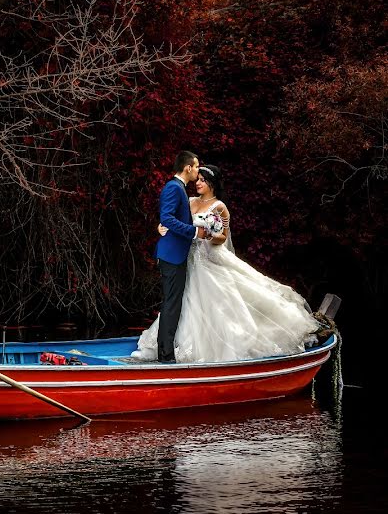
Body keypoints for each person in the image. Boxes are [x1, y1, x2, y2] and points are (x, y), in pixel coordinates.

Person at [132, 164, 319, 363]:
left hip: (209, 258)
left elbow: (223, 237)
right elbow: (172, 220)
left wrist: (211, 234)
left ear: (212, 183)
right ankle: (166, 346)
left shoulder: (219, 206)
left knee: (220, 299)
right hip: (188, 258)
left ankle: (216, 345)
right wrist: (161, 227)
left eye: (203, 180)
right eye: (198, 179)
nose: (198, 183)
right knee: (180, 300)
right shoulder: (189, 202)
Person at [153, 151, 207, 363]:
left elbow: (168, 219)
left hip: (175, 254)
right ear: (187, 168)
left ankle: (165, 353)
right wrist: (194, 232)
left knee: (172, 303)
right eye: (196, 167)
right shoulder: (173, 188)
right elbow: (166, 217)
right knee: (171, 304)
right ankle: (165, 356)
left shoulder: (179, 189)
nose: (197, 170)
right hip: (172, 256)